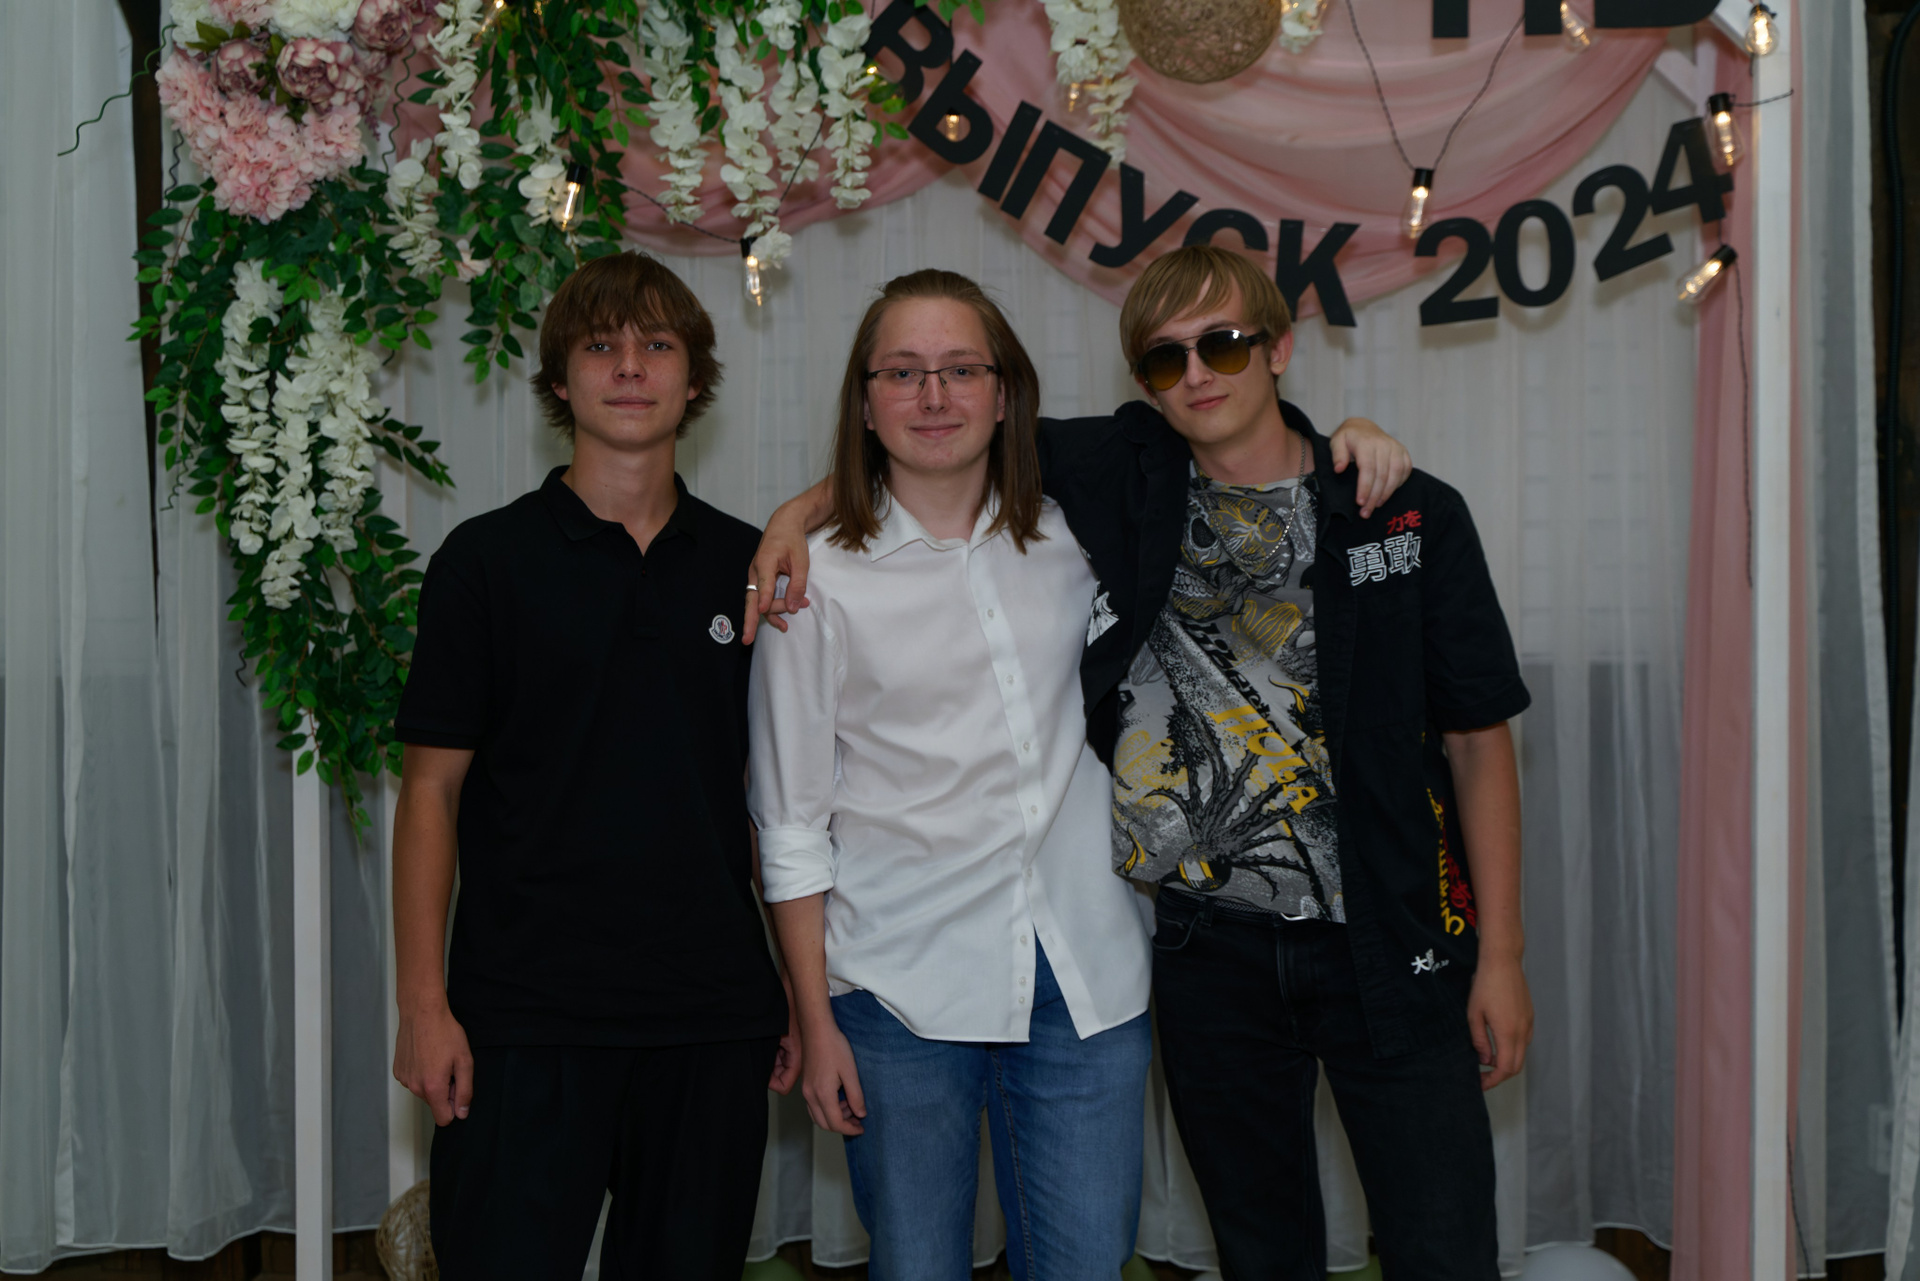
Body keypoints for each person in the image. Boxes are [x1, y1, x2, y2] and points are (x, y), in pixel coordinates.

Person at [749, 244, 1524, 1280]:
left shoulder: (1389, 509)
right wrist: (795, 515)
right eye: (1166, 358)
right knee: (1259, 1253)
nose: (1197, 373)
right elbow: (931, 445)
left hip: (1372, 937)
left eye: (1224, 344)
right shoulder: (1124, 489)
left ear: (1280, 348)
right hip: (1199, 955)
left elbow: (1478, 738)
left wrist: (1504, 956)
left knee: (1443, 1245)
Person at [389, 251, 800, 1281]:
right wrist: (423, 1007)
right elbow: (430, 792)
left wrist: (797, 988)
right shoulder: (483, 564)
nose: (629, 367)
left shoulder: (747, 567)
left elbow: (770, 801)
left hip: (710, 1019)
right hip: (522, 1022)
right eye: (600, 346)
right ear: (558, 380)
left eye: (657, 345)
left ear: (694, 380)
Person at [748, 270, 1156, 1281]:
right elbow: (789, 823)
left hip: (1086, 976)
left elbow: (1234, 447)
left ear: (1005, 392)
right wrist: (813, 1016)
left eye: (961, 370)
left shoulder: (1079, 533)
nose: (933, 396)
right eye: (902, 373)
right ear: (866, 402)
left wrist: (1348, 437)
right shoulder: (815, 580)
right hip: (897, 988)